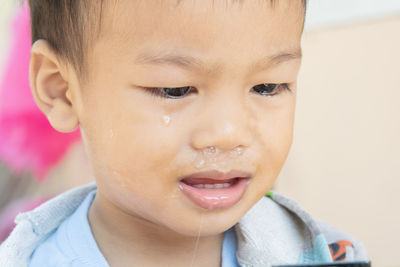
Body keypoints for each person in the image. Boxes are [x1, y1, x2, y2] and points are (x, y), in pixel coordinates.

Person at [0, 0, 368, 266]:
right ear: (63, 90)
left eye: (268, 87)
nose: (228, 134)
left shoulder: (329, 253)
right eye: (176, 90)